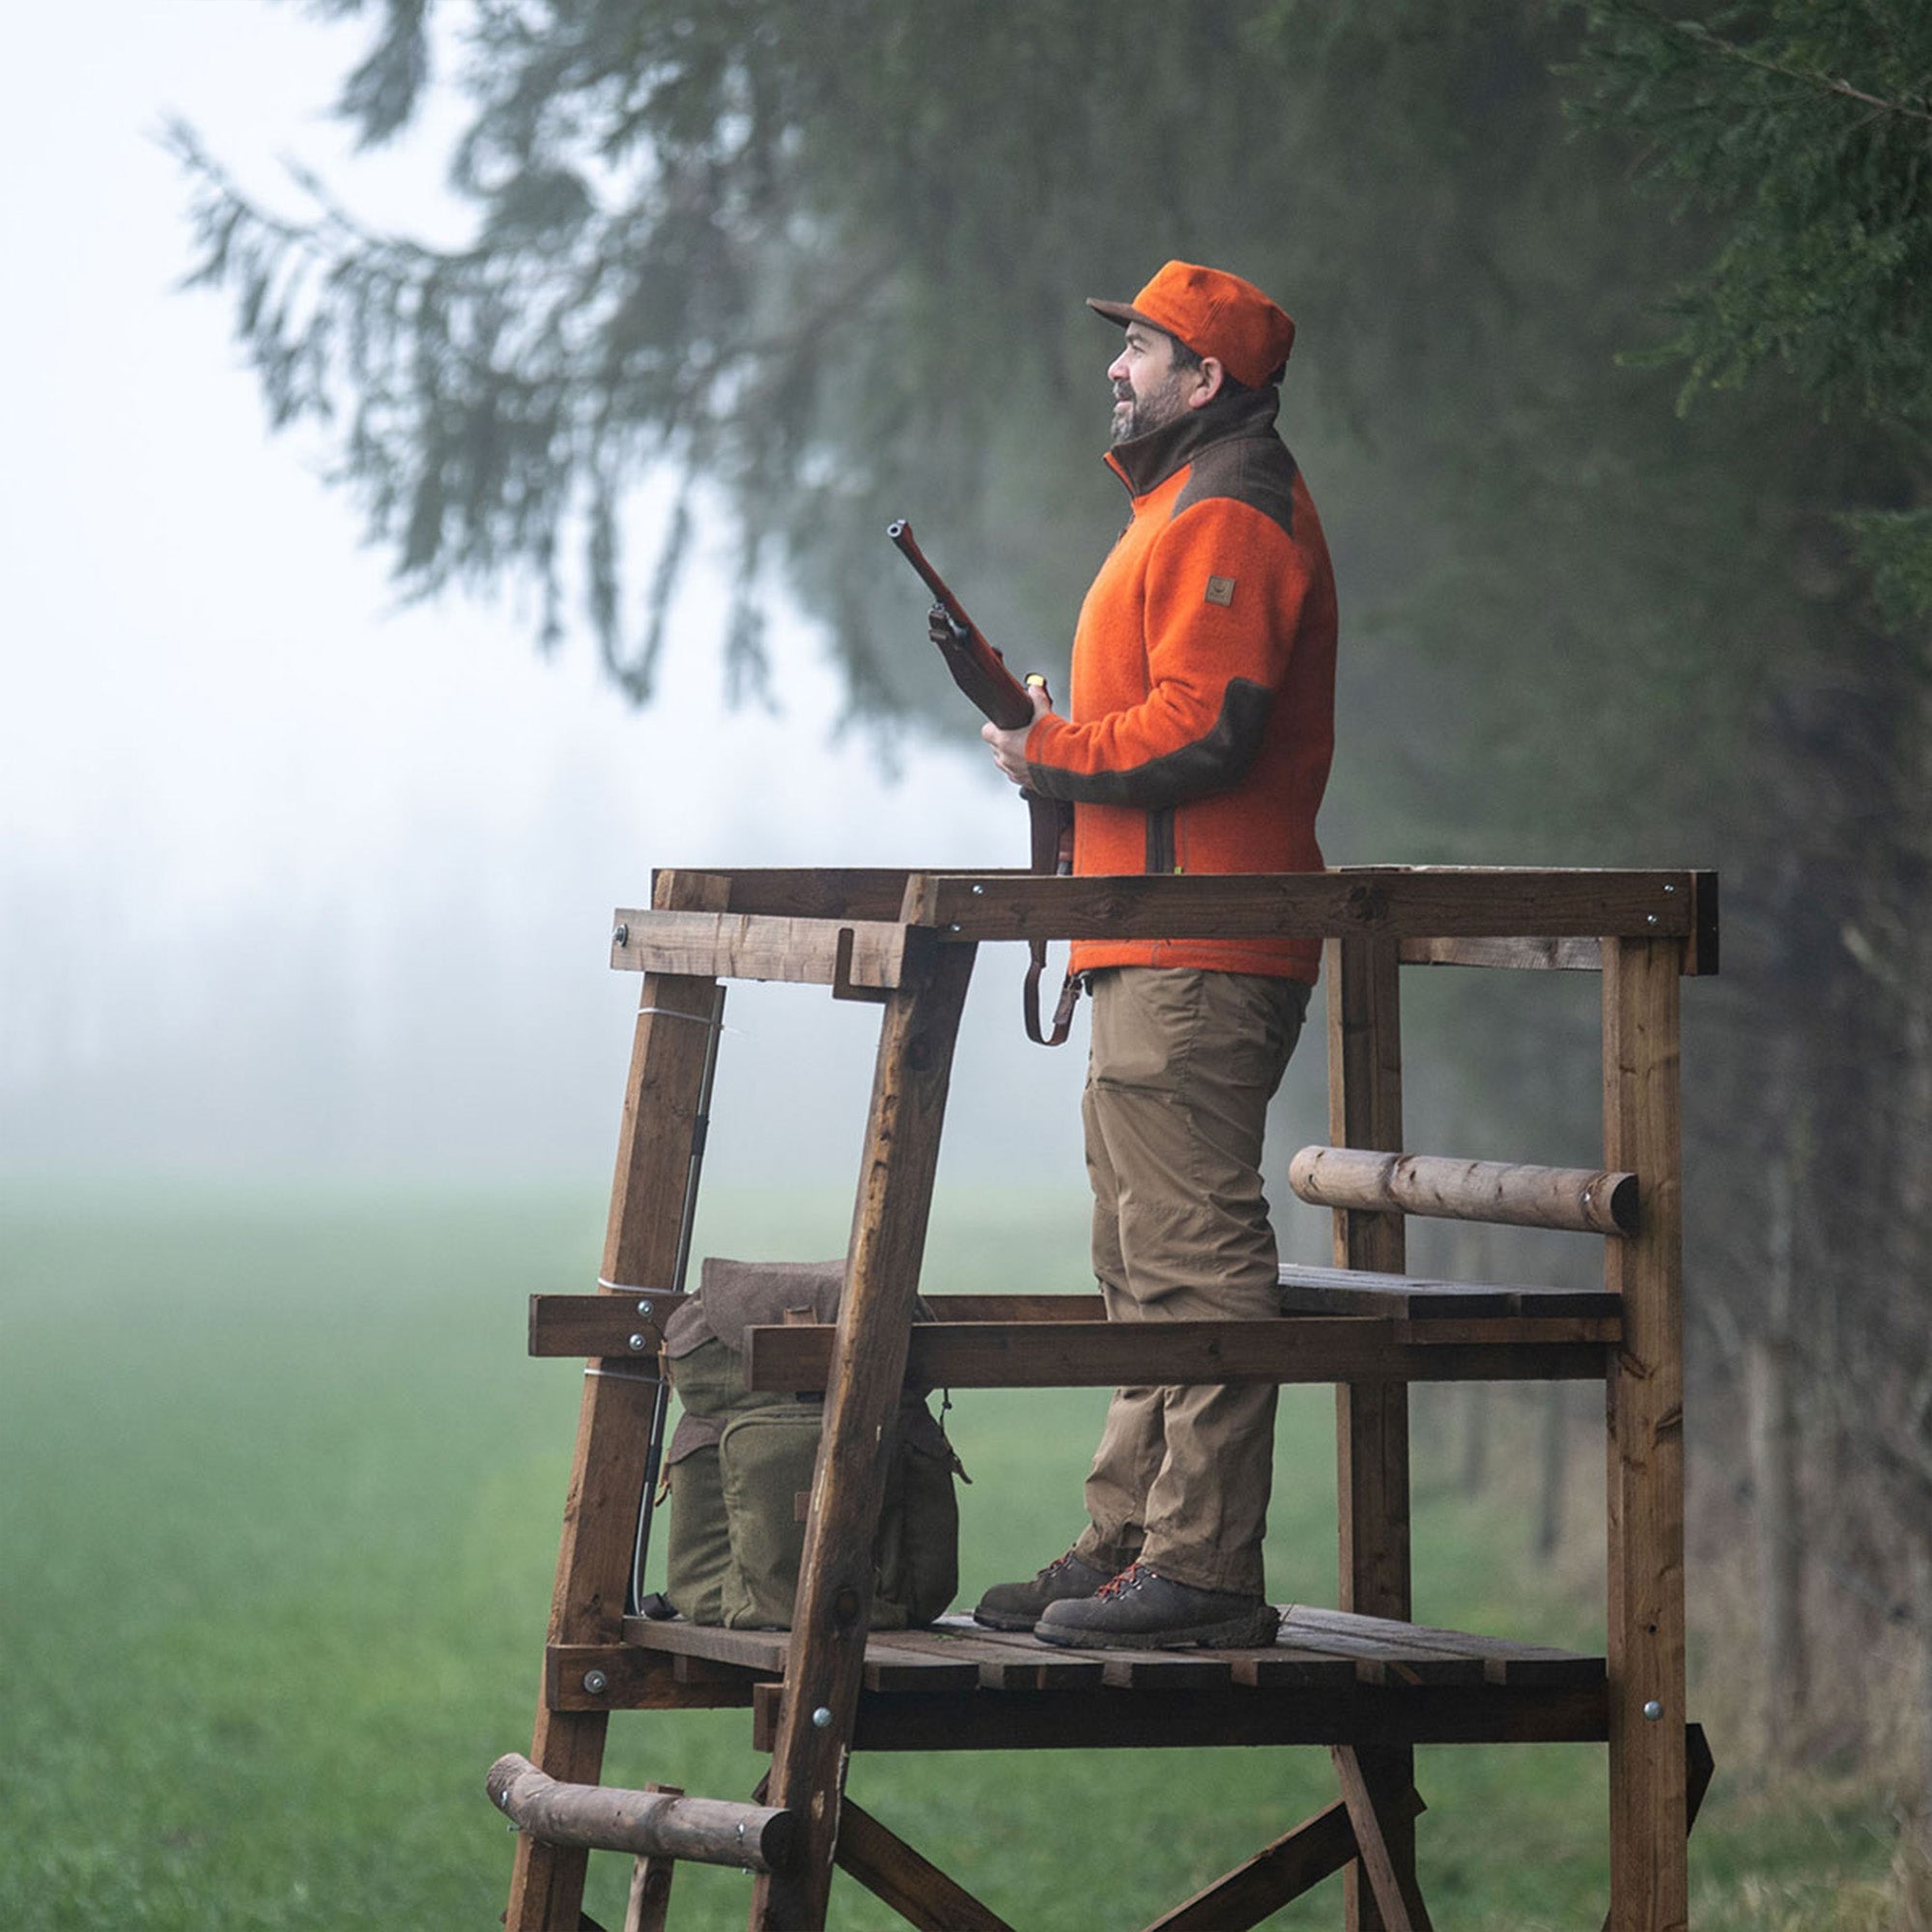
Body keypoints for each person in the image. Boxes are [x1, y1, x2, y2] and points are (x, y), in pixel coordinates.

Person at [971, 260, 1337, 1650]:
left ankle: (1204, 1570)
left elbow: (1211, 727)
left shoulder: (1229, 506)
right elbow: (1174, 718)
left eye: (1142, 346)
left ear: (1207, 377)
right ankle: (1129, 1541)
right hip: (1153, 943)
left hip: (1202, 946)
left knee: (1193, 1260)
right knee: (1139, 1260)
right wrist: (1052, 746)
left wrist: (1054, 750)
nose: (1116, 368)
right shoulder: (1182, 504)